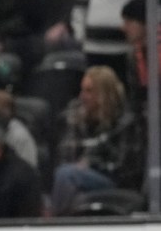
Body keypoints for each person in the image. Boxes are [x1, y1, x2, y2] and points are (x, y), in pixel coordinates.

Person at [51, 65, 144, 215]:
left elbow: (126, 170)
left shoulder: (126, 122)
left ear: (103, 94)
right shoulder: (74, 116)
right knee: (65, 176)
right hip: (76, 177)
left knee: (65, 175)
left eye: (89, 91)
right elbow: (65, 157)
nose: (82, 96)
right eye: (82, 90)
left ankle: (56, 224)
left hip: (112, 181)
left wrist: (91, 164)